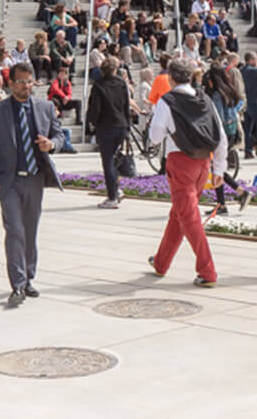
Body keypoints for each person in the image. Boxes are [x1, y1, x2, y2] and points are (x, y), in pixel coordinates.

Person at [0, 62, 65, 306]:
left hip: (35, 179)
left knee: (30, 231)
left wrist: (52, 144)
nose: (25, 86)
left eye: (29, 81)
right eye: (20, 82)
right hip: (9, 181)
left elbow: (59, 135)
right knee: (14, 231)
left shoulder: (45, 107)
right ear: (10, 83)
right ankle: (17, 284)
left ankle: (28, 278)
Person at [144, 57, 223, 287]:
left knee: (189, 217)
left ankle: (207, 271)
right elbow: (220, 135)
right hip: (203, 162)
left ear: (170, 78)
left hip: (180, 162)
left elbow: (156, 136)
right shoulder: (205, 99)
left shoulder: (167, 101)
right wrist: (220, 168)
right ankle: (161, 262)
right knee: (179, 214)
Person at [84, 55, 134, 209]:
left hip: (106, 127)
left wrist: (92, 123)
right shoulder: (121, 83)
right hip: (121, 125)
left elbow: (95, 108)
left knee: (108, 162)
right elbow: (126, 106)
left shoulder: (99, 85)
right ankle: (116, 190)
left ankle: (112, 196)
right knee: (115, 160)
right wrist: (128, 125)